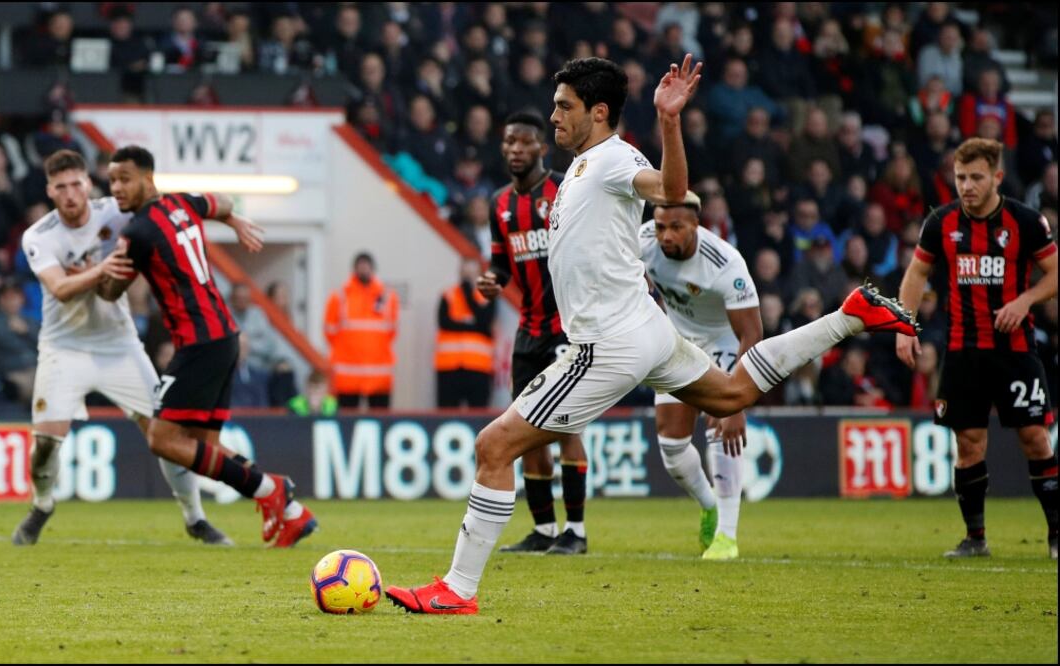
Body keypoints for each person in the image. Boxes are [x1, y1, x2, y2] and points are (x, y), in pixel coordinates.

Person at [385, 55, 919, 615]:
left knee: (493, 446)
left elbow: (671, 189)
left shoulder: (615, 159)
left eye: (564, 107)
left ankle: (457, 590)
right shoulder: (584, 167)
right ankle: (853, 314)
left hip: (609, 343)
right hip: (644, 327)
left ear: (598, 112)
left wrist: (669, 120)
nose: (554, 117)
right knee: (732, 394)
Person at [96, 145, 317, 549]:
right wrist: (232, 218)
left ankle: (272, 488)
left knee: (161, 438)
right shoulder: (185, 204)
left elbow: (110, 291)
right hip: (224, 337)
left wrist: (94, 270)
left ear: (148, 178)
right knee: (206, 449)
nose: (116, 188)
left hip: (199, 342)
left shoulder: (139, 232)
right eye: (111, 181)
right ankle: (291, 515)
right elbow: (225, 200)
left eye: (124, 178)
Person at [10, 150, 230, 546]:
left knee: (167, 437)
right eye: (61, 187)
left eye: (77, 184)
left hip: (121, 345)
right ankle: (42, 505)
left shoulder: (116, 210)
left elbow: (175, 207)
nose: (71, 194)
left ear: (87, 185)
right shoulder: (39, 235)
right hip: (64, 348)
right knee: (44, 445)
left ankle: (195, 517)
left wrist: (230, 216)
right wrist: (103, 269)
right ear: (49, 192)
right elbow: (59, 289)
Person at [896, 137, 1058, 560]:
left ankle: (1057, 534)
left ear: (997, 177)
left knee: (1036, 438)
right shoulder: (941, 223)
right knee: (968, 443)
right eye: (960, 177)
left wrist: (1024, 300)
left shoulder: (1025, 221)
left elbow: (1055, 272)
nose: (966, 186)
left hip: (1015, 351)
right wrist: (904, 325)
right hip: (963, 351)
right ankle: (975, 538)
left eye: (976, 178)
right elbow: (916, 276)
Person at [476, 111, 590, 556]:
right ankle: (544, 531)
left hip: (569, 326)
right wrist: (491, 281)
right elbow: (502, 264)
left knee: (566, 426)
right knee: (526, 429)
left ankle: (576, 532)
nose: (515, 150)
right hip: (529, 331)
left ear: (543, 148)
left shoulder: (562, 191)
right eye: (509, 143)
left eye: (525, 143)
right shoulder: (499, 204)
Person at [640, 190, 763, 560]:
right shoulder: (642, 241)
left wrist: (737, 401)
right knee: (672, 449)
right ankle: (708, 504)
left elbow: (751, 334)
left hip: (722, 342)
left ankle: (726, 535)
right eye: (661, 226)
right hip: (676, 342)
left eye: (676, 227)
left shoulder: (725, 263)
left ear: (696, 224)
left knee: (720, 430)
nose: (666, 236)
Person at [323, 252, 399, 409]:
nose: (364, 269)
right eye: (361, 266)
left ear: (373, 268)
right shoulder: (340, 296)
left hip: (379, 375)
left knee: (380, 421)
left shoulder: (387, 296)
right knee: (347, 422)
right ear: (354, 269)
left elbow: (392, 331)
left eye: (367, 266)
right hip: (347, 375)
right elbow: (329, 331)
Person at [436, 257, 496, 409]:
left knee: (478, 414)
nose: (468, 276)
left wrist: (468, 293)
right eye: (465, 272)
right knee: (446, 412)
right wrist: (471, 325)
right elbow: (444, 323)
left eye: (472, 272)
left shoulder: (487, 295)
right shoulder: (448, 294)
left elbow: (484, 322)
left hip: (477, 366)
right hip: (449, 366)